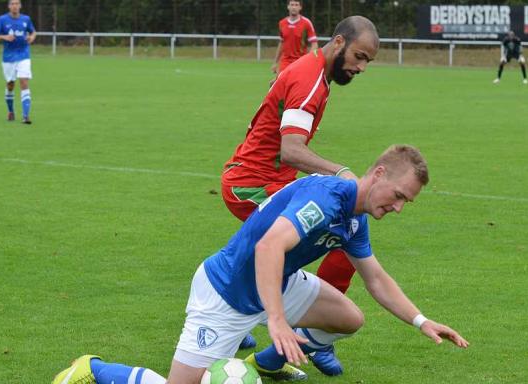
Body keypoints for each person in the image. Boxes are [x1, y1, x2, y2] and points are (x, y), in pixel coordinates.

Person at [52, 145, 469, 384]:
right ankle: (92, 368)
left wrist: (420, 321)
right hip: (227, 291)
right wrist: (276, 320)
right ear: (378, 174)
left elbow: (374, 276)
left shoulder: (354, 217)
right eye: (397, 195)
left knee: (348, 317)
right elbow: (270, 247)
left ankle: (265, 363)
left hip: (277, 281)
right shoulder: (328, 200)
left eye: (405, 203)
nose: (397, 207)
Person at [222, 15, 378, 374]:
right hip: (250, 184)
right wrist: (340, 173)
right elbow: (291, 150)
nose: (362, 66)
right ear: (338, 43)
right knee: (293, 244)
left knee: (345, 224)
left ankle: (299, 337)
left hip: (276, 183)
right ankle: (274, 326)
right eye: (360, 56)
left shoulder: (318, 77)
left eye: (368, 60)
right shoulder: (309, 79)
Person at [0, 0, 36, 124]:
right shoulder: (2, 19)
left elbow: (33, 31)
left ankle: (26, 116)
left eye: (17, 3)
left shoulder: (26, 19)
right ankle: (11, 111)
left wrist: (32, 37)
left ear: (20, 5)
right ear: (9, 6)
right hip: (8, 58)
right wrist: (4, 37)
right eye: (12, 4)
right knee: (10, 84)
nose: (15, 6)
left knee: (24, 82)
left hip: (24, 55)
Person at [271, 0, 318, 76]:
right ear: (288, 7)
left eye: (296, 5)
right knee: (280, 84)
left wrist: (309, 59)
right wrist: (275, 62)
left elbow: (314, 44)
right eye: (292, 5)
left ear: (300, 7)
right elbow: (282, 43)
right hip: (285, 61)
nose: (294, 7)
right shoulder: (282, 23)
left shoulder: (306, 23)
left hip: (300, 61)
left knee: (298, 85)